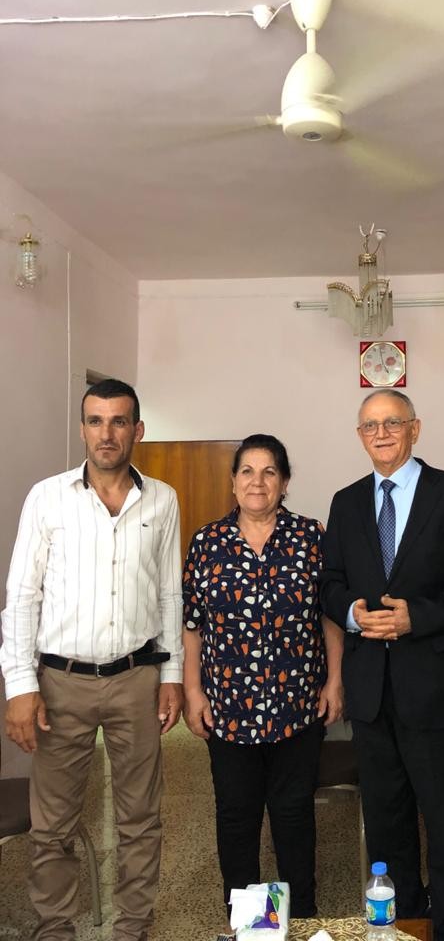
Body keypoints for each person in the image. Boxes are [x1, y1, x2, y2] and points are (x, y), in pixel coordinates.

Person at [0, 378, 183, 941]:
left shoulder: (162, 499)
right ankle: (55, 928)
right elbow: (22, 596)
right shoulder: (47, 498)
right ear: (82, 429)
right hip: (61, 683)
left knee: (140, 819)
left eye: (119, 421)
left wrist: (172, 674)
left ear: (137, 430)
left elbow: (169, 594)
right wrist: (19, 685)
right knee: (53, 824)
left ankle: (134, 928)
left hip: (136, 678)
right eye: (96, 421)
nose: (107, 433)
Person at [321, 389, 444, 941]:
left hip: (434, 688)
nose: (382, 434)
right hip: (372, 691)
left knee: (442, 819)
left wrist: (417, 617)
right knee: (387, 820)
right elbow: (330, 582)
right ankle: (404, 921)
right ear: (360, 436)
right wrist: (351, 613)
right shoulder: (346, 502)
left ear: (415, 429)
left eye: (393, 423)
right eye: (370, 426)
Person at [181, 433, 343, 920]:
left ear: (285, 482)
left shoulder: (311, 537)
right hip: (229, 708)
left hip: (298, 705)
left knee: (293, 815)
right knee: (238, 817)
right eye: (247, 471)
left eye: (269, 471)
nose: (258, 481)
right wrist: (192, 691)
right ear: (233, 482)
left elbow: (329, 616)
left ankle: (300, 917)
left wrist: (335, 680)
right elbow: (192, 623)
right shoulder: (208, 542)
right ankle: (254, 924)